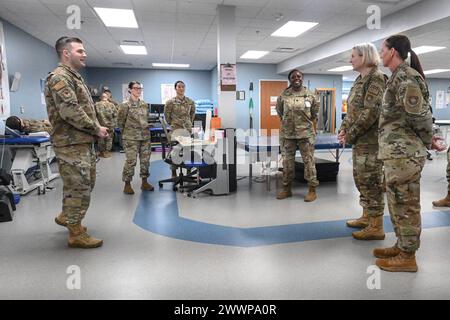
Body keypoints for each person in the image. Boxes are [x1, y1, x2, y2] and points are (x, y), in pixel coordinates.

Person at [374, 34, 444, 272]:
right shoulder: (396, 77)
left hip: (405, 155)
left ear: (392, 51)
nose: (379, 54)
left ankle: (408, 256)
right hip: (396, 154)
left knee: (406, 204)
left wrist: (428, 140)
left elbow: (420, 115)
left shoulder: (406, 77)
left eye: (381, 50)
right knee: (396, 202)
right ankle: (402, 245)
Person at [45, 36, 109, 248]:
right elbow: (70, 110)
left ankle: (68, 216)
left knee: (85, 182)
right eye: (80, 51)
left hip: (81, 141)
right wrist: (96, 128)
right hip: (70, 143)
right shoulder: (59, 77)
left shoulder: (75, 77)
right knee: (79, 186)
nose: (84, 54)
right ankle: (75, 233)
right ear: (66, 53)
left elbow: (84, 107)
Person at [338, 43, 386, 240]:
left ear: (365, 57)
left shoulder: (376, 79)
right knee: (362, 181)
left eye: (353, 56)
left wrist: (350, 135)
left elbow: (371, 112)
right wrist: (343, 129)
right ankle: (367, 217)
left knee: (372, 182)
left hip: (372, 142)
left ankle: (377, 227)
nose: (350, 60)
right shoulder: (359, 80)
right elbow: (352, 111)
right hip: (360, 141)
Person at [276, 69, 319, 202]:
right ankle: (287, 188)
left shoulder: (310, 95)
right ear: (290, 79)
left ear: (302, 78)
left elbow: (314, 114)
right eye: (293, 76)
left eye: (299, 76)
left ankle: (312, 190)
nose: (296, 78)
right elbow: (280, 112)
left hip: (305, 135)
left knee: (309, 163)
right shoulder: (283, 95)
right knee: (287, 163)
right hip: (288, 135)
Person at [117, 81, 154, 194]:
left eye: (140, 88)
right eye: (135, 88)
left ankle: (144, 182)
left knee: (145, 161)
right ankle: (127, 184)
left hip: (145, 137)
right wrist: (127, 134)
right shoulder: (124, 105)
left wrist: (147, 125)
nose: (138, 90)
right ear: (130, 90)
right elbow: (120, 122)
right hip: (131, 138)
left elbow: (145, 119)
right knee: (131, 161)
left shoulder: (144, 104)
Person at [164, 81, 196, 177]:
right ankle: (173, 172)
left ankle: (189, 172)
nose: (181, 88)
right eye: (179, 87)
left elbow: (192, 115)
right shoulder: (170, 102)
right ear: (175, 88)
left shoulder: (190, 102)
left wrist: (187, 123)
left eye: (183, 87)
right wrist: (175, 124)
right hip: (176, 130)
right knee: (175, 150)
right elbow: (167, 117)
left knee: (189, 150)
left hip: (187, 130)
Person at [95, 93, 117, 158]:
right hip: (110, 125)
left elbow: (94, 116)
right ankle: (107, 152)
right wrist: (114, 124)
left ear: (100, 97)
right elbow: (115, 115)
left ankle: (102, 152)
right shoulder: (112, 105)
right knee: (109, 139)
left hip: (100, 126)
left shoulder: (96, 105)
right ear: (107, 97)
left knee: (101, 138)